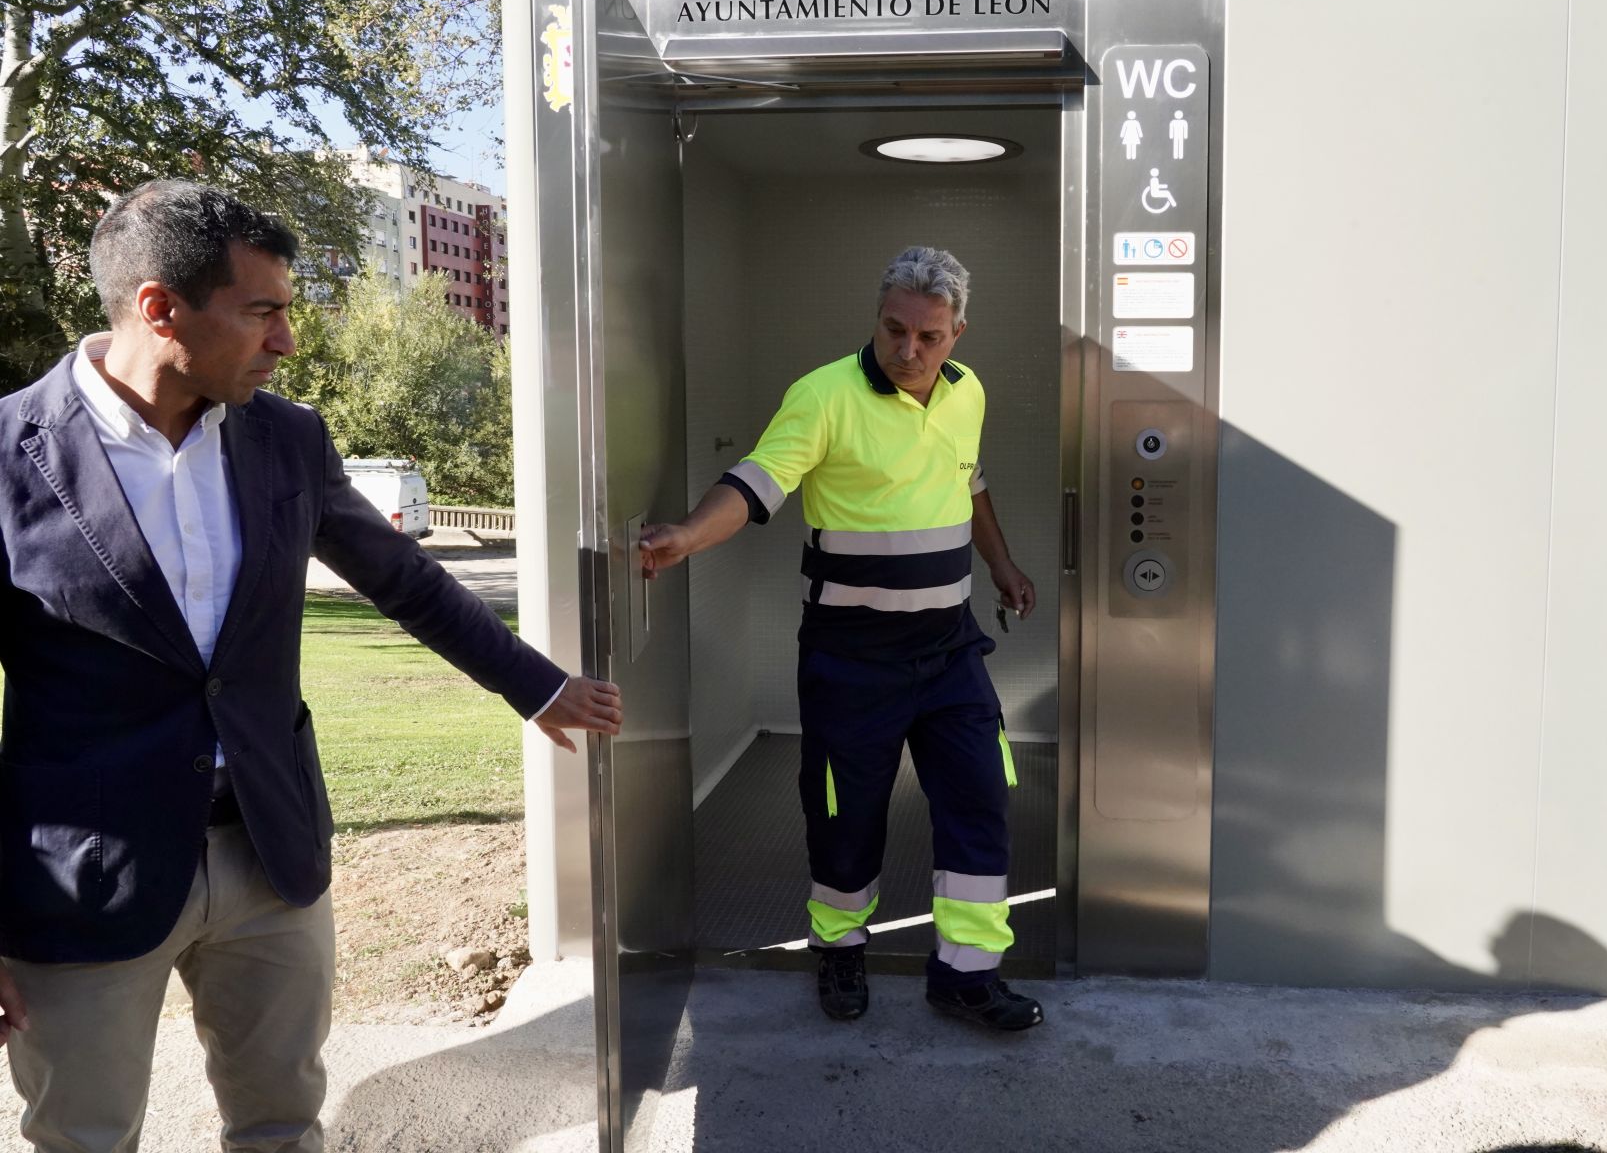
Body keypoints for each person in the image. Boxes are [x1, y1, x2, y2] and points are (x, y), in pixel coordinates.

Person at [0, 180, 622, 1152]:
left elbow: (404, 578)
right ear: (161, 308)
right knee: (83, 1138)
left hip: (270, 851)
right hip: (81, 875)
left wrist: (536, 685)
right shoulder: (10, 453)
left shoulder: (286, 438)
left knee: (284, 1126)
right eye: (263, 312)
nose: (286, 341)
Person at [637, 246, 1043, 1031]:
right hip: (851, 657)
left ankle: (966, 976)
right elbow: (757, 480)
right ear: (877, 319)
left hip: (951, 651)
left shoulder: (968, 392)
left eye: (929, 336)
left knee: (980, 799)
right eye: (894, 329)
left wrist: (1002, 565)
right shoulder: (823, 395)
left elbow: (969, 480)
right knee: (844, 816)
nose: (908, 350)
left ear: (957, 333)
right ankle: (840, 948)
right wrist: (687, 535)